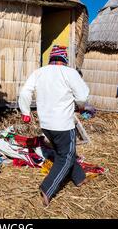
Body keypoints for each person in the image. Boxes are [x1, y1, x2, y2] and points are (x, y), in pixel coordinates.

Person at [18, 45, 90, 206]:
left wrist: (26, 112)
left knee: (62, 151)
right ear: (64, 59)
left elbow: (24, 93)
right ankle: (47, 188)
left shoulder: (39, 72)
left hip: (46, 124)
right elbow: (83, 95)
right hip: (63, 124)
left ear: (51, 58)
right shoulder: (69, 72)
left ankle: (79, 178)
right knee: (67, 155)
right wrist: (81, 105)